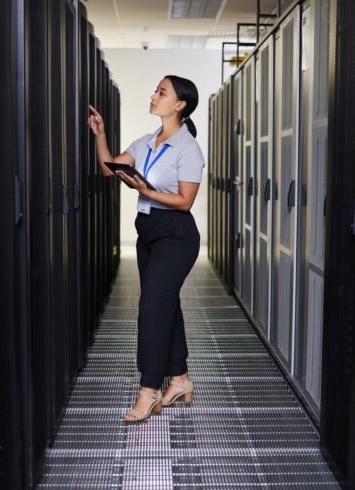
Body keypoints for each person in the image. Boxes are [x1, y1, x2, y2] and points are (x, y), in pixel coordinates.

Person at [87, 75, 204, 423]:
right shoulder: (147, 142)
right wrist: (101, 136)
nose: (154, 96)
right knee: (165, 303)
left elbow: (185, 201)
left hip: (176, 235)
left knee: (151, 307)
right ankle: (180, 379)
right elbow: (110, 168)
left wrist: (147, 190)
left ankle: (149, 388)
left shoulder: (188, 148)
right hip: (149, 233)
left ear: (179, 105)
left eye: (161, 92)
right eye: (155, 90)